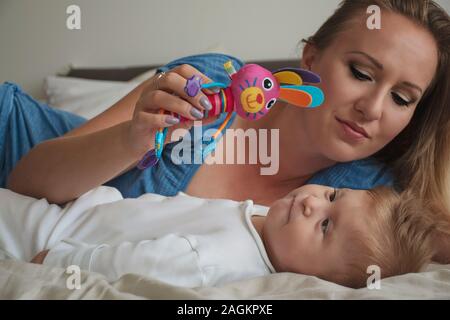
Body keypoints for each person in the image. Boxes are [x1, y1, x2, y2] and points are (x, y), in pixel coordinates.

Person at [3, 1, 450, 259]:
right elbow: (26, 180)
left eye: (402, 98)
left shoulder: (371, 196)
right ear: (310, 60)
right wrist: (130, 138)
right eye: (361, 72)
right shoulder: (212, 86)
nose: (372, 108)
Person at [0, 184, 444, 289]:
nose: (313, 204)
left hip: (53, 236)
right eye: (332, 195)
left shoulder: (215, 262)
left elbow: (129, 265)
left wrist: (55, 261)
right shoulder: (276, 226)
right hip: (84, 211)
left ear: (319, 279)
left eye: (325, 226)